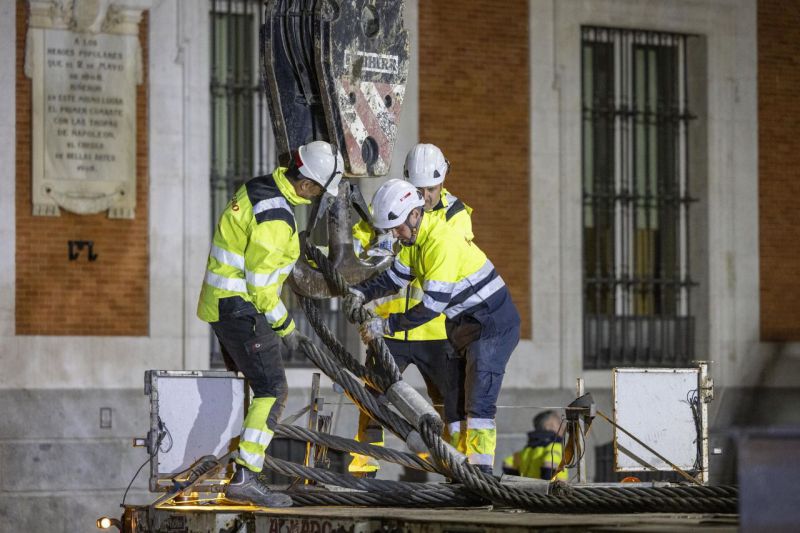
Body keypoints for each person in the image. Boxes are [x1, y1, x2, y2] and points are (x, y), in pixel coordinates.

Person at [197, 140, 344, 507]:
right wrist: (288, 330)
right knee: (273, 390)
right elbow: (261, 287)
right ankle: (246, 474)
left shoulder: (260, 187)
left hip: (222, 305)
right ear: (307, 184)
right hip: (242, 308)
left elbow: (269, 255)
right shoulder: (277, 218)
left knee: (261, 386)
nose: (317, 199)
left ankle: (241, 463)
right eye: (319, 191)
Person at [345, 179, 520, 474]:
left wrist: (385, 325)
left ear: (415, 214)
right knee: (453, 405)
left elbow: (431, 307)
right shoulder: (415, 241)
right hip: (463, 325)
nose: (396, 235)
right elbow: (394, 278)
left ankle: (480, 474)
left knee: (477, 402)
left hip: (492, 324)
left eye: (398, 227)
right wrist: (360, 292)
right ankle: (456, 470)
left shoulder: (441, 243)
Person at [349, 144, 473, 477]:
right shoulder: (391, 204)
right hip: (389, 324)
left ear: (443, 181)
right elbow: (359, 243)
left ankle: (455, 467)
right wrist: (379, 236)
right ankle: (365, 461)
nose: (425, 196)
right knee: (372, 392)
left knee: (449, 401)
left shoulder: (456, 214)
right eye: (418, 190)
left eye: (430, 189)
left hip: (434, 327)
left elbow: (449, 259)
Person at [502, 410, 568, 480]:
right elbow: (549, 466)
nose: (563, 426)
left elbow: (507, 463)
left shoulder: (528, 449)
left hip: (526, 489)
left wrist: (517, 481)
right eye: (558, 423)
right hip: (551, 490)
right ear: (548, 426)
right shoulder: (555, 446)